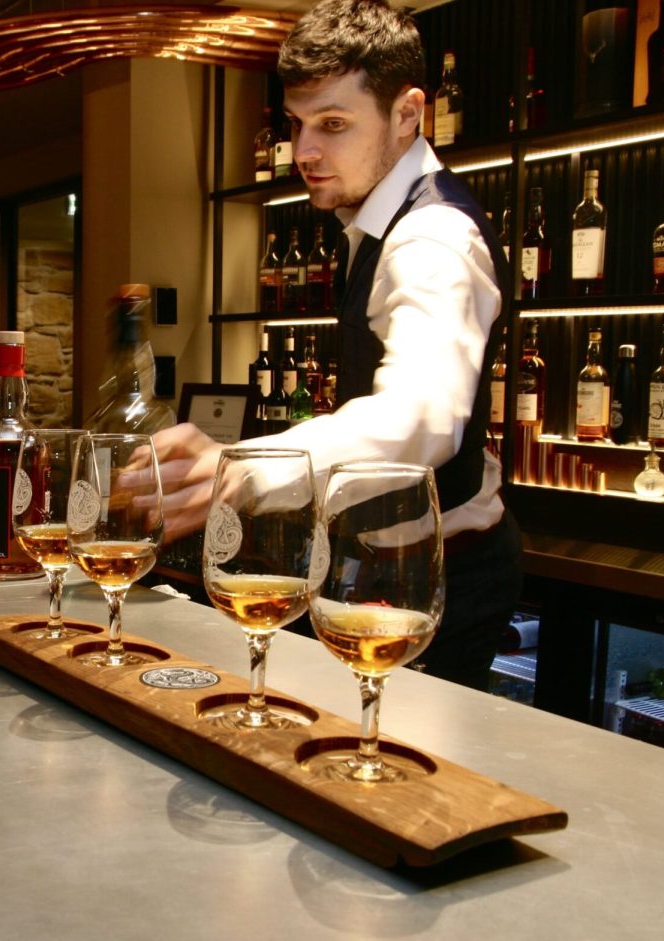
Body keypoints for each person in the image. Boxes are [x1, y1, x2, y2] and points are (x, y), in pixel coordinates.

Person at [152, 0, 520, 690]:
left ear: (408, 114)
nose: (304, 152)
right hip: (386, 562)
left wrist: (243, 468)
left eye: (333, 124)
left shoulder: (430, 237)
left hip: (441, 576)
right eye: (296, 124)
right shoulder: (372, 222)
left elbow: (422, 418)